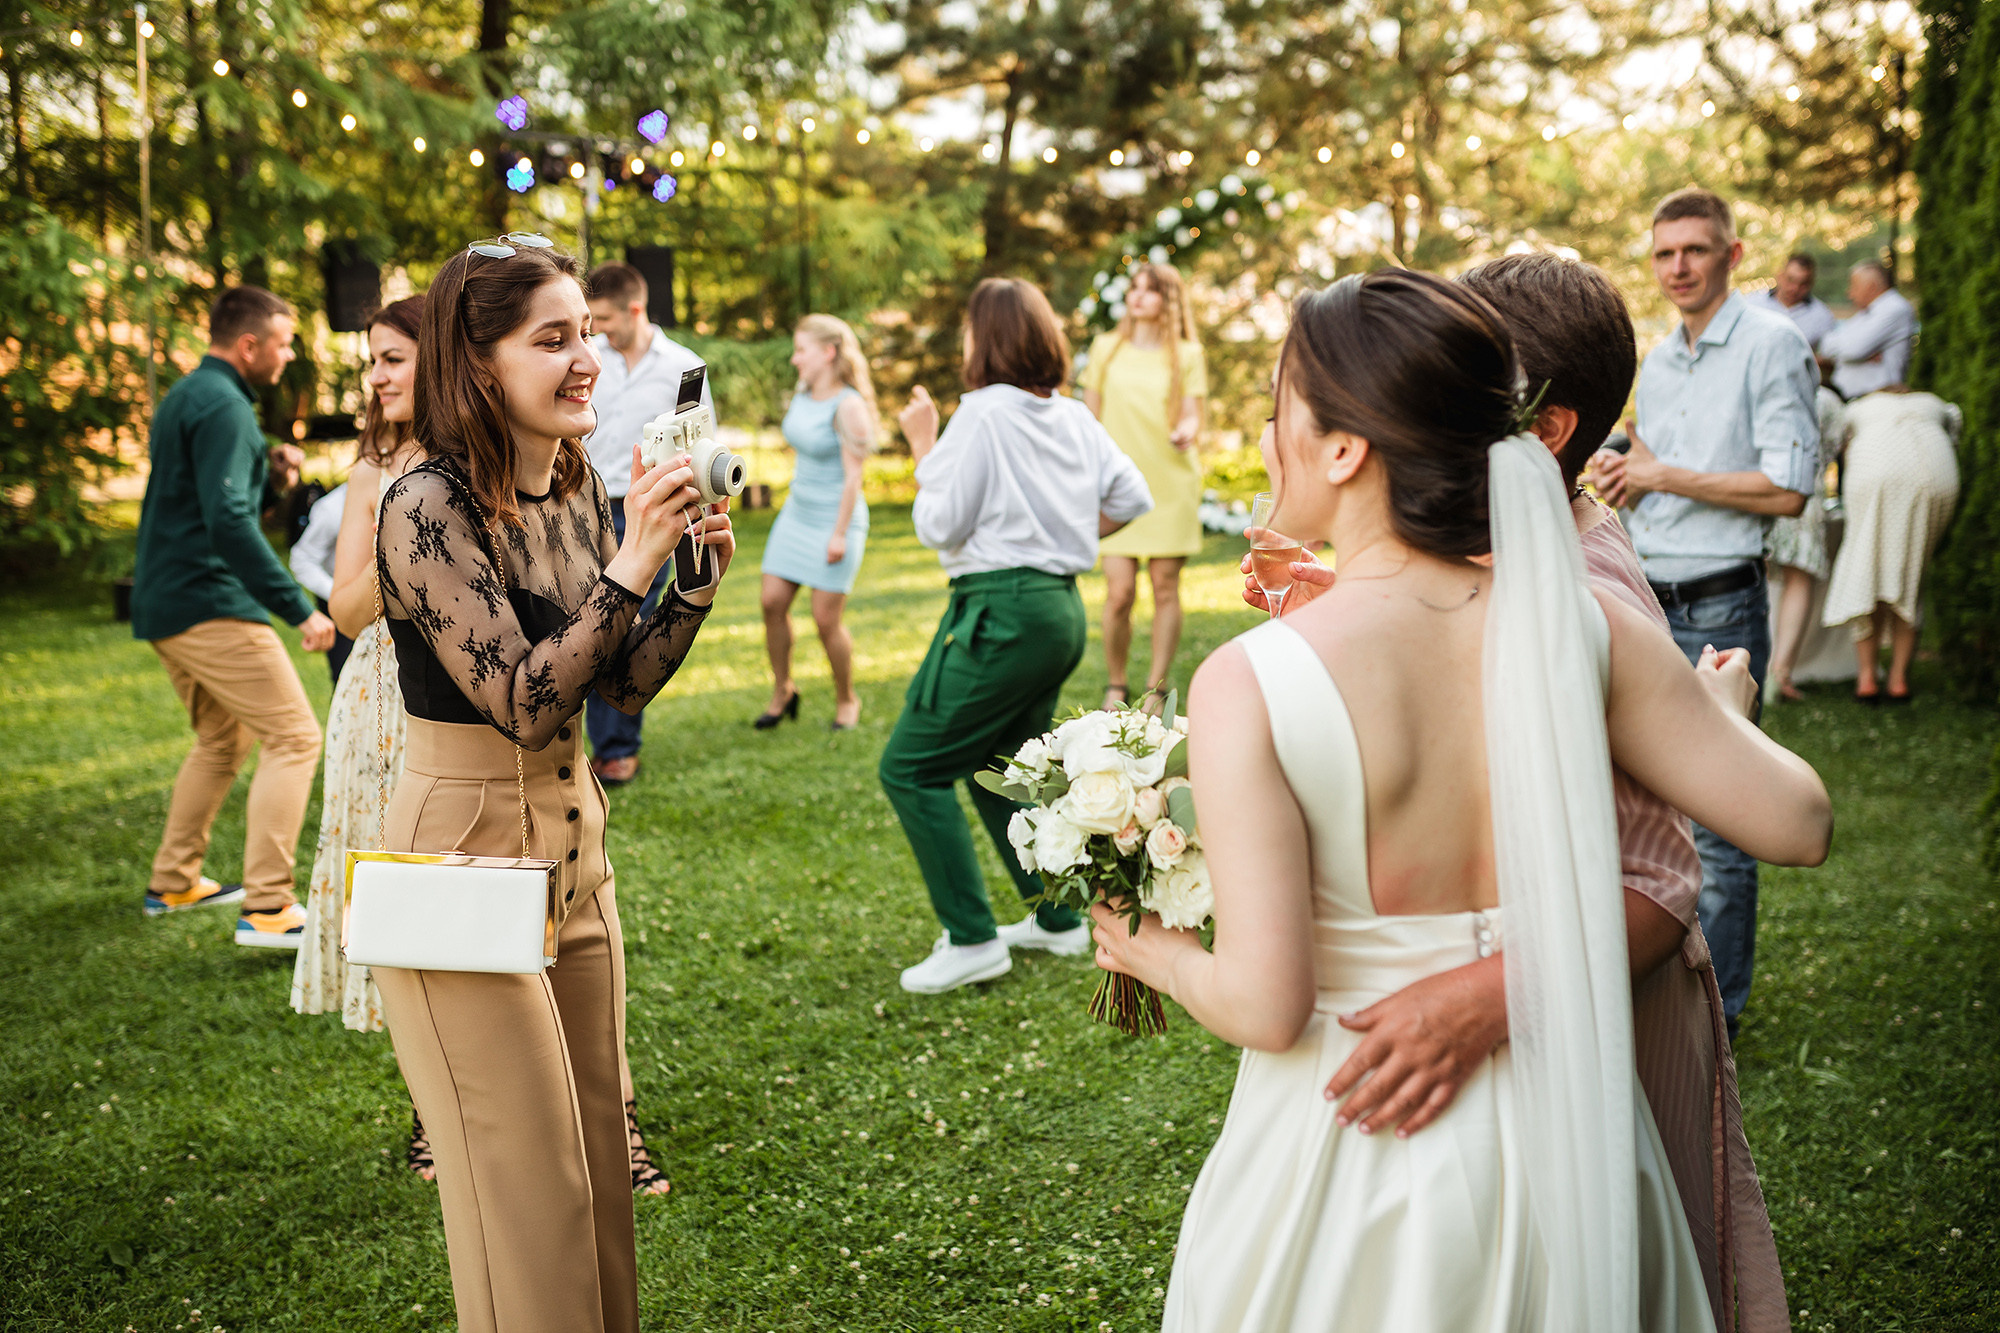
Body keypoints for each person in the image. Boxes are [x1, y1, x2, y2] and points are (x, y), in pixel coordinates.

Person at [1096, 268, 1831, 1332]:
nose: (1264, 438)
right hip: (1576, 1141)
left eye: (1276, 411)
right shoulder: (1583, 625)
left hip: (1349, 1144)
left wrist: (1147, 946)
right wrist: (1719, 716)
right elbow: (1797, 823)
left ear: (1343, 449)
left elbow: (1263, 1002)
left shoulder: (1249, 680)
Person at [372, 236, 734, 1333]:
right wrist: (630, 566)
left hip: (575, 859)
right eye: (554, 338)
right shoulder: (421, 505)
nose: (587, 357)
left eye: (586, 332)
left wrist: (688, 579)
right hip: (458, 861)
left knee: (594, 1176)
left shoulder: (571, 485)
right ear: (479, 364)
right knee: (527, 1198)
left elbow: (613, 674)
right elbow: (525, 698)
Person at [1587, 187, 1820, 1037]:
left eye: (1694, 249)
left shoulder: (1774, 345)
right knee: (1647, 807)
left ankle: (1717, 1014)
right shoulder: (1659, 354)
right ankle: (1667, 993)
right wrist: (1625, 482)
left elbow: (1790, 491)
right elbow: (1653, 469)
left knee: (1721, 823)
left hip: (1723, 600)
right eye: (1663, 253)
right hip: (1648, 597)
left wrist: (1659, 477)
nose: (1677, 266)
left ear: (1734, 252)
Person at [883, 277, 1153, 995]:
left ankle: (971, 938)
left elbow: (939, 522)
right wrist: (1062, 535)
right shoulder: (1071, 415)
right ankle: (1060, 919)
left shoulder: (980, 415)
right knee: (998, 765)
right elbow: (1133, 497)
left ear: (985, 340)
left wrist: (923, 447)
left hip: (1000, 608)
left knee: (909, 767)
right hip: (1059, 609)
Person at [133, 285, 337, 949]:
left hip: (167, 599)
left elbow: (208, 495)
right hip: (208, 600)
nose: (285, 357)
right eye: (281, 343)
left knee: (223, 741)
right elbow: (225, 522)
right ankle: (272, 906)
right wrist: (296, 607)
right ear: (249, 343)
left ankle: (174, 879)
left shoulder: (192, 394)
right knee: (296, 737)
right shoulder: (225, 405)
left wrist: (268, 471)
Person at [579, 260, 713, 787]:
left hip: (648, 507)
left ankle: (615, 748)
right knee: (587, 617)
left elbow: (701, 443)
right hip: (584, 506)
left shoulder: (684, 367)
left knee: (626, 621)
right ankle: (587, 742)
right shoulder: (590, 361)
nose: (600, 329)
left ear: (636, 309)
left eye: (606, 318)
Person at [1078, 262, 1207, 708]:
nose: (1138, 296)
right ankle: (1116, 683)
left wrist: (1188, 429)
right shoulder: (1105, 348)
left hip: (1170, 482)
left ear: (1168, 301)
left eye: (1150, 291)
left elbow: (1193, 413)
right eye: (1134, 288)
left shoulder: (1187, 354)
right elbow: (1088, 418)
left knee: (1166, 587)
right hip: (1116, 485)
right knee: (1119, 593)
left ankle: (1155, 686)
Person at [756, 314, 879, 731]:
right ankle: (783, 690)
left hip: (835, 520)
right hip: (797, 513)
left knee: (826, 621)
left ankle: (847, 699)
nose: (795, 359)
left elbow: (854, 476)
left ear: (828, 353)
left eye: (801, 350)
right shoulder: (803, 393)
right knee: (771, 602)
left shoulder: (849, 405)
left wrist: (839, 534)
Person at [1819, 389, 1962, 703]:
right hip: (1937, 478)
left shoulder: (1859, 407)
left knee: (1865, 569)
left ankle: (1867, 678)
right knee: (1912, 574)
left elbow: (1833, 444)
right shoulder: (1936, 405)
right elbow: (1955, 431)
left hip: (1875, 475)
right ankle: (1898, 680)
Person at [1766, 389, 1847, 703]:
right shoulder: (1826, 399)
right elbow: (1836, 447)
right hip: (1805, 494)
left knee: (1750, 577)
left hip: (1755, 490)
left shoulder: (1762, 388)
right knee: (1798, 580)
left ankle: (1749, 665)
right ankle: (1780, 672)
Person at [1818, 261, 1915, 401]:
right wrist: (1860, 353)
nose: (1849, 293)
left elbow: (1853, 350)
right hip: (1854, 398)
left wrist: (1852, 351)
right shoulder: (1867, 312)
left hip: (1878, 400)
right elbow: (1826, 344)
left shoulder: (1895, 308)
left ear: (1871, 287)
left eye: (1854, 286)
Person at [290, 482, 356, 683]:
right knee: (347, 680)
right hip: (340, 608)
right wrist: (337, 594)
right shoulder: (332, 508)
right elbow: (301, 560)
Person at [1747, 251, 1836, 350]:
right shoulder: (1753, 304)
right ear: (1779, 276)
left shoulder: (1822, 315)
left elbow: (1829, 357)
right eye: (1791, 280)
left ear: (1812, 283)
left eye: (1803, 284)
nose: (1795, 288)